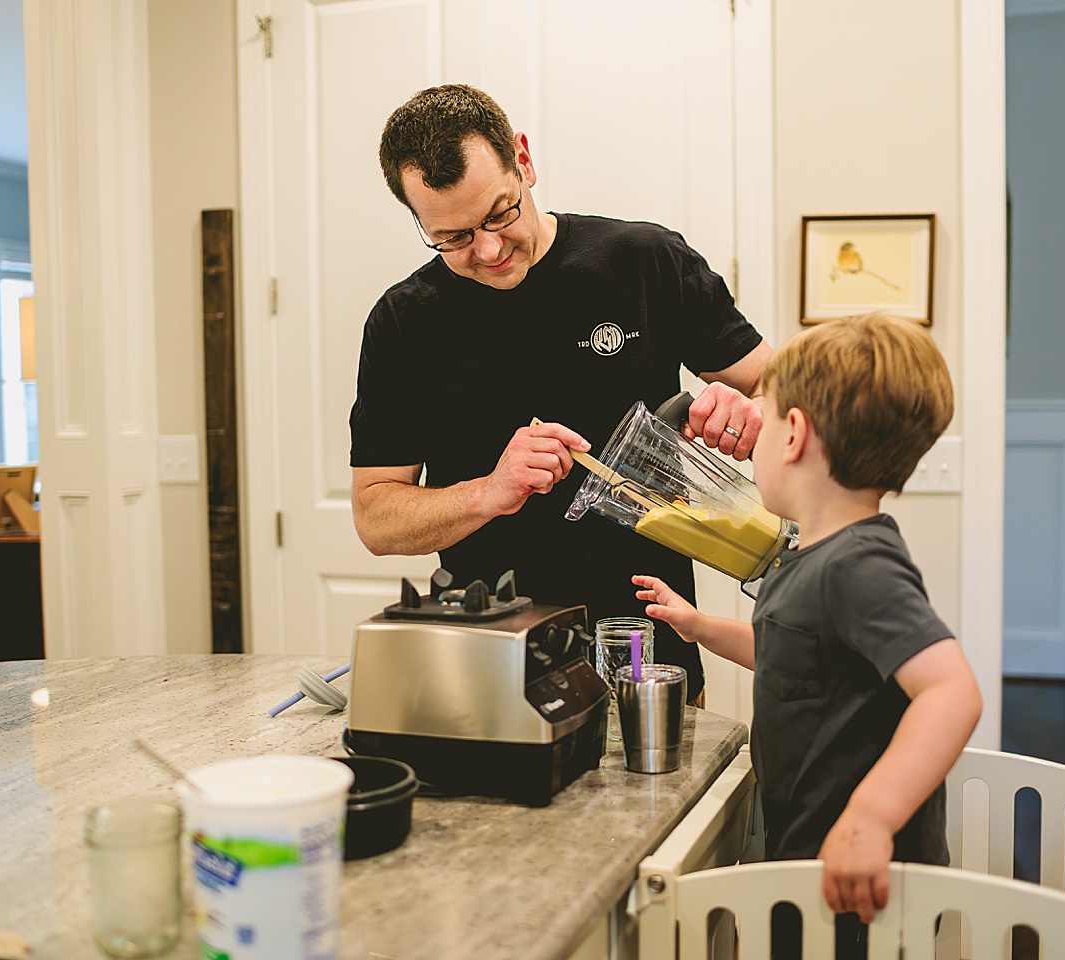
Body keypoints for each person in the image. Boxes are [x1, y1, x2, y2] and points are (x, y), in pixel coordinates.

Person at [349, 84, 773, 702]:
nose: (489, 249)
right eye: (453, 238)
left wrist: (748, 408)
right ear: (419, 222)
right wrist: (489, 493)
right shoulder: (404, 322)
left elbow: (782, 385)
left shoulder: (643, 261)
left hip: (648, 648)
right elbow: (375, 517)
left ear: (524, 159)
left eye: (500, 213)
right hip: (488, 657)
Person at [632, 312, 983, 935]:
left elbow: (952, 691)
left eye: (758, 413)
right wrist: (701, 627)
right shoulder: (808, 555)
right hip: (809, 859)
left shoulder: (859, 564)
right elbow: (794, 657)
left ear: (792, 434)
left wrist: (869, 819)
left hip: (862, 882)